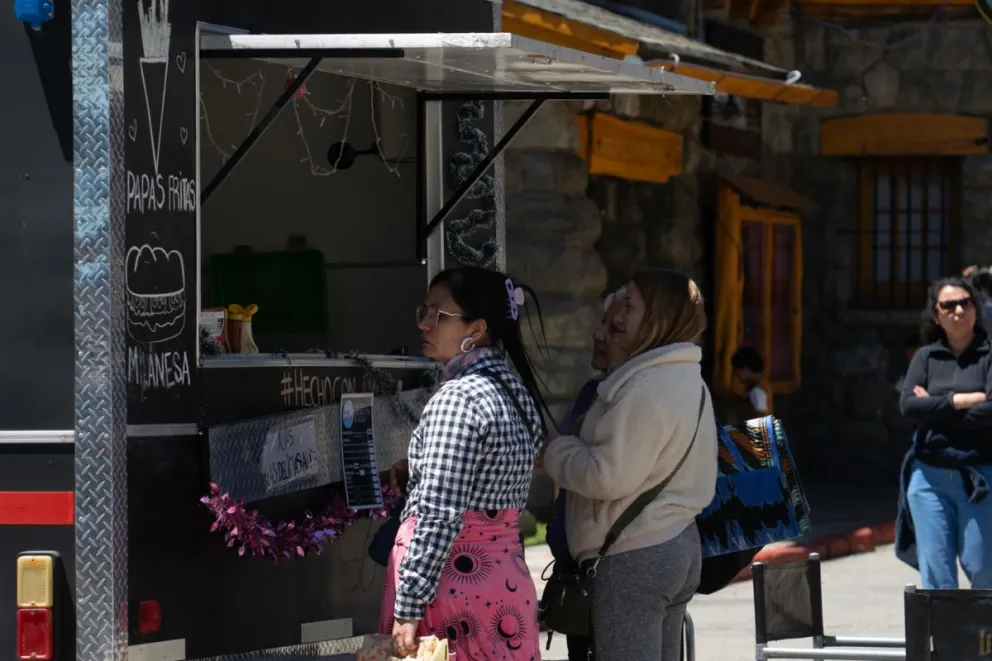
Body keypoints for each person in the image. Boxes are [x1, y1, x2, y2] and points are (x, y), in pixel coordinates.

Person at [542, 269, 718, 661]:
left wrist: (556, 452)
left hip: (635, 554)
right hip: (673, 544)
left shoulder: (646, 390)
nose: (618, 317)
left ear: (657, 320)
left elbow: (607, 476)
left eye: (631, 307)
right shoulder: (683, 378)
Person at [381, 266, 552, 660]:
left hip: (452, 593)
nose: (424, 324)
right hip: (504, 586)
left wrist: (407, 608)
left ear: (475, 330)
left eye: (437, 315)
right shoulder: (514, 393)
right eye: (422, 312)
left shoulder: (458, 399)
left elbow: (440, 513)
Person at [545, 285, 629, 661]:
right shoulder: (592, 391)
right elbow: (565, 467)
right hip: (575, 563)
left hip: (615, 565)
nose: (598, 335)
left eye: (614, 328)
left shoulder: (639, 398)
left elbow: (602, 472)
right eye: (601, 324)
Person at [898, 275, 992, 589]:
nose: (957, 311)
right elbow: (909, 406)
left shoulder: (989, 354)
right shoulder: (926, 357)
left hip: (980, 476)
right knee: (937, 576)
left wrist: (935, 409)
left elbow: (989, 413)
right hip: (928, 477)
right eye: (948, 305)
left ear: (975, 309)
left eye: (964, 303)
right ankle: (948, 640)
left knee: (983, 569)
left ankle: (984, 638)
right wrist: (960, 401)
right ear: (936, 315)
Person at [730, 347, 770, 417]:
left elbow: (762, 420)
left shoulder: (757, 391)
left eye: (736, 370)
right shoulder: (763, 384)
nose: (736, 374)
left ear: (745, 368)